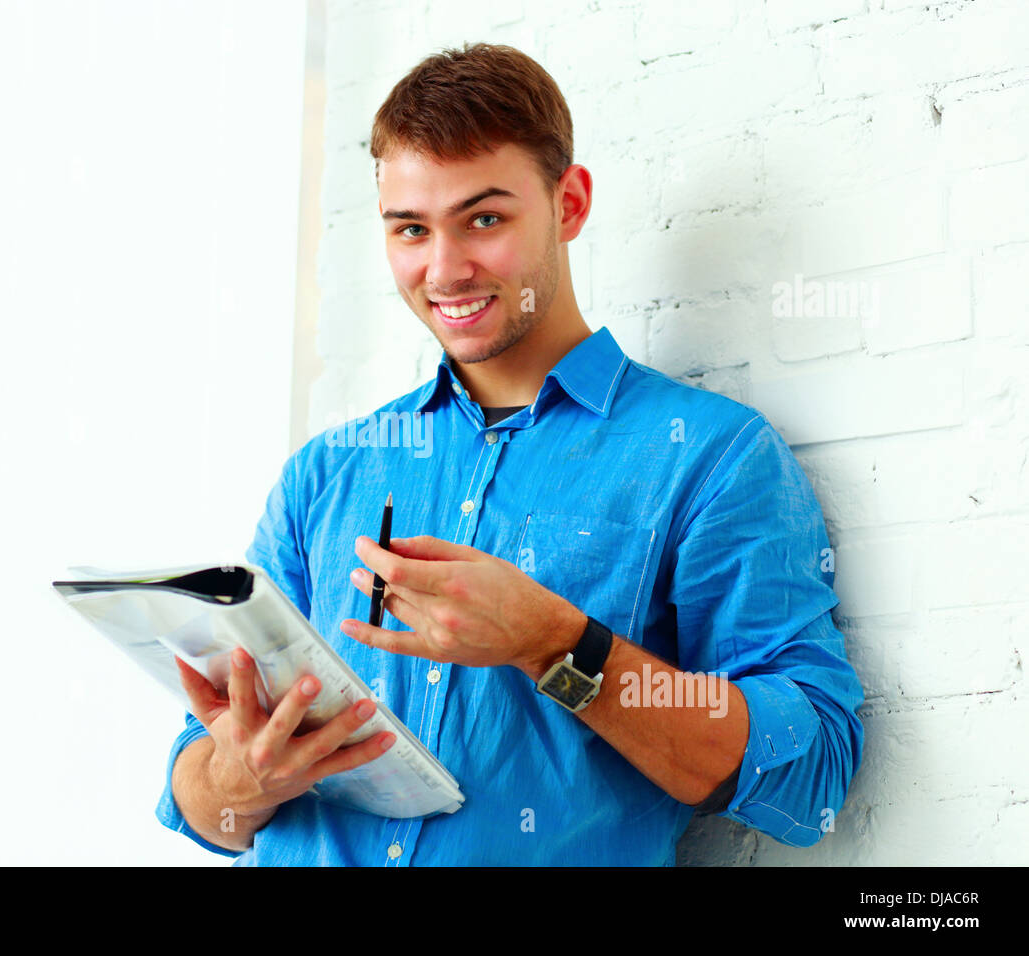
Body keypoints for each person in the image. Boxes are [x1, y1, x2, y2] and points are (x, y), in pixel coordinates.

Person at [157, 42, 864, 866]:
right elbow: (200, 804)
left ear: (569, 204)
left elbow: (812, 770)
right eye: (412, 230)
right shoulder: (326, 472)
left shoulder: (711, 458)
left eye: (484, 219)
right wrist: (246, 778)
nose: (445, 269)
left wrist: (554, 642)